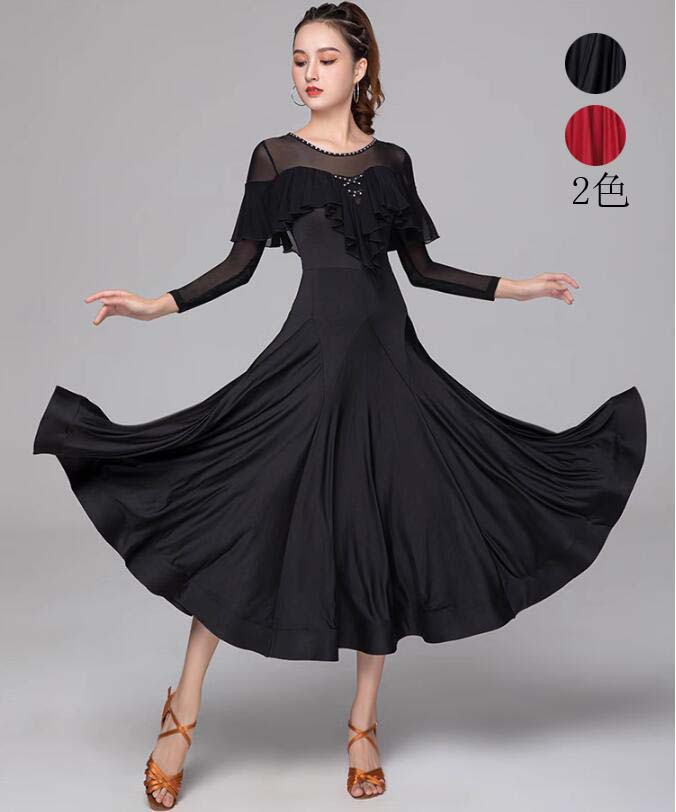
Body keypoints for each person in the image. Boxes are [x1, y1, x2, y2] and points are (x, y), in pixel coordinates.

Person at [32, 3, 647, 807]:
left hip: (392, 365)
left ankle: (362, 726)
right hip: (309, 361)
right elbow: (239, 267)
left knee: (380, 529)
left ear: (360, 70)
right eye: (299, 59)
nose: (309, 73)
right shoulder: (275, 157)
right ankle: (182, 712)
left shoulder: (393, 161)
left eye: (325, 58)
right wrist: (155, 305)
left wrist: (517, 287)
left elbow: (423, 271)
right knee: (244, 521)